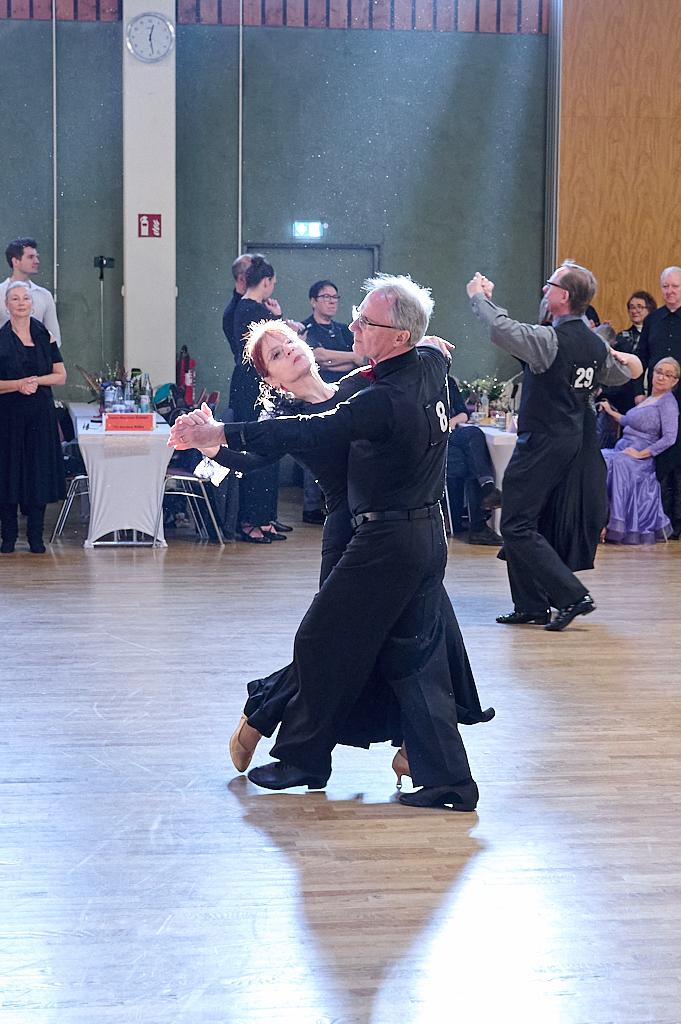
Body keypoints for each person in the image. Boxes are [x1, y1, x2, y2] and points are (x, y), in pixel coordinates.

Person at [170, 275, 479, 811]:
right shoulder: (318, 404)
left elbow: (400, 371)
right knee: (365, 647)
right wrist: (215, 444)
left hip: (390, 535)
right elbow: (271, 447)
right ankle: (421, 764)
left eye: (289, 342)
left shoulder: (360, 387)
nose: (290, 350)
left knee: (379, 647)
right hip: (356, 534)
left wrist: (424, 342)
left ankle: (289, 731)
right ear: (269, 377)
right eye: (276, 354)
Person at [467, 261, 643, 632]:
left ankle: (572, 595)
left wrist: (480, 299)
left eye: (550, 285)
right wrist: (629, 361)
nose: (545, 290)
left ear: (564, 296)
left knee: (515, 524)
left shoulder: (551, 340)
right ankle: (530, 606)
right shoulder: (594, 343)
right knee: (528, 521)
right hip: (571, 442)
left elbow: (503, 329)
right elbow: (618, 375)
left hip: (542, 442)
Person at [229, 255, 302, 544]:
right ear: (267, 281)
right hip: (254, 386)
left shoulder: (245, 307)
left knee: (268, 446)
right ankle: (253, 520)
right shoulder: (252, 310)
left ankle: (262, 517)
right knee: (261, 447)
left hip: (253, 384)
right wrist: (282, 323)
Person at [0, 280, 66, 553]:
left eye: (25, 298)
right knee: (8, 473)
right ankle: (8, 538)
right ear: (7, 306)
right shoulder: (0, 339)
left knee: (37, 473)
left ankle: (35, 537)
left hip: (40, 414)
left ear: (32, 304)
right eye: (15, 299)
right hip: (8, 415)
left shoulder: (44, 335)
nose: (21, 303)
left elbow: (60, 376)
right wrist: (18, 385)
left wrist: (35, 381)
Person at [599, 357, 680, 544]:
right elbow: (627, 420)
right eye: (659, 372)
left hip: (640, 459)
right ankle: (597, 521)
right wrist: (609, 411)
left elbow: (669, 438)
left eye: (668, 375)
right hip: (624, 449)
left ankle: (610, 523)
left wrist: (641, 454)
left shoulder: (668, 403)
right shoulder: (648, 399)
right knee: (599, 457)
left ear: (674, 381)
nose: (661, 377)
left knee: (615, 462)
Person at [299, 280, 359, 524]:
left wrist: (338, 359)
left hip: (344, 396)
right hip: (316, 398)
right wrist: (349, 358)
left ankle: (339, 505)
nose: (332, 301)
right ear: (313, 301)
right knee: (317, 448)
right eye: (326, 297)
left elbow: (362, 358)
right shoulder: (305, 329)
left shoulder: (345, 330)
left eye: (335, 297)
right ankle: (312, 507)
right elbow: (317, 358)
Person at [638, 266, 681, 537]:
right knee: (661, 460)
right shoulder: (653, 320)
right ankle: (663, 521)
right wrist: (638, 393)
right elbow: (641, 358)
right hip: (656, 402)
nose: (670, 291)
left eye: (675, 286)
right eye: (665, 286)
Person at [446, 376, 502, 545]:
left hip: (451, 431)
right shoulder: (419, 380)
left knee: (473, 438)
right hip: (434, 437)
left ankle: (487, 489)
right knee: (471, 454)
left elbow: (463, 413)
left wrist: (452, 422)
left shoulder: (448, 381)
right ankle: (479, 526)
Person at [596, 293, 654, 447]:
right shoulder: (622, 337)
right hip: (626, 391)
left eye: (640, 307)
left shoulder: (655, 334)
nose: (635, 311)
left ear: (650, 309)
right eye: (631, 307)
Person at [0, 238, 61, 347]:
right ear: (15, 261)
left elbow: (54, 338)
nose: (36, 261)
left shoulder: (44, 295)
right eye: (30, 257)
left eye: (37, 257)